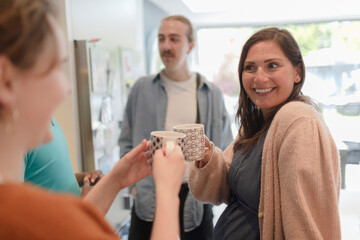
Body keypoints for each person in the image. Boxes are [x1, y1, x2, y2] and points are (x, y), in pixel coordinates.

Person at [0, 0, 186, 239]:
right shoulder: (21, 217)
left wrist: (116, 179)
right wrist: (168, 192)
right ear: (6, 80)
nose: (67, 88)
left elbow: (69, 230)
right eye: (54, 68)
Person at [188, 27, 341, 239]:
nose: (259, 79)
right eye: (250, 67)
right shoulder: (256, 123)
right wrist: (208, 158)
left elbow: (306, 226)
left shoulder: (298, 121)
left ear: (298, 72)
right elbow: (224, 190)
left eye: (272, 66)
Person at [119, 15, 233, 240]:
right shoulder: (141, 89)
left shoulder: (211, 94)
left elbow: (223, 148)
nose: (166, 46)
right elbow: (126, 141)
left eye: (174, 39)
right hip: (149, 197)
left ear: (190, 45)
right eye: (161, 39)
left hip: (196, 200)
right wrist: (133, 187)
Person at [24, 117, 104, 196]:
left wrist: (86, 178)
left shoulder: (53, 123)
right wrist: (83, 202)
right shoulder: (20, 133)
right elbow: (13, 202)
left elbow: (54, 180)